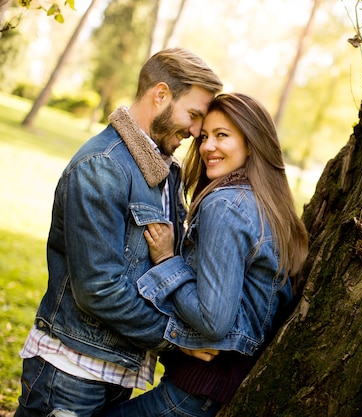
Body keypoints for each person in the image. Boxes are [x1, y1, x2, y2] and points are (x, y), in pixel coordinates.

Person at [15, 48, 223, 417]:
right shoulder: (103, 167)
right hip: (70, 375)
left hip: (117, 372)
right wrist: (175, 339)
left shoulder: (162, 170)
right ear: (160, 94)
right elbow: (99, 288)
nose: (195, 132)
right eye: (193, 116)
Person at [104, 92, 309, 417]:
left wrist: (168, 261)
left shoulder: (224, 207)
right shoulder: (266, 203)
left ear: (251, 142)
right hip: (222, 386)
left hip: (198, 390)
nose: (207, 147)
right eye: (204, 137)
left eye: (222, 136)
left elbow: (213, 321)